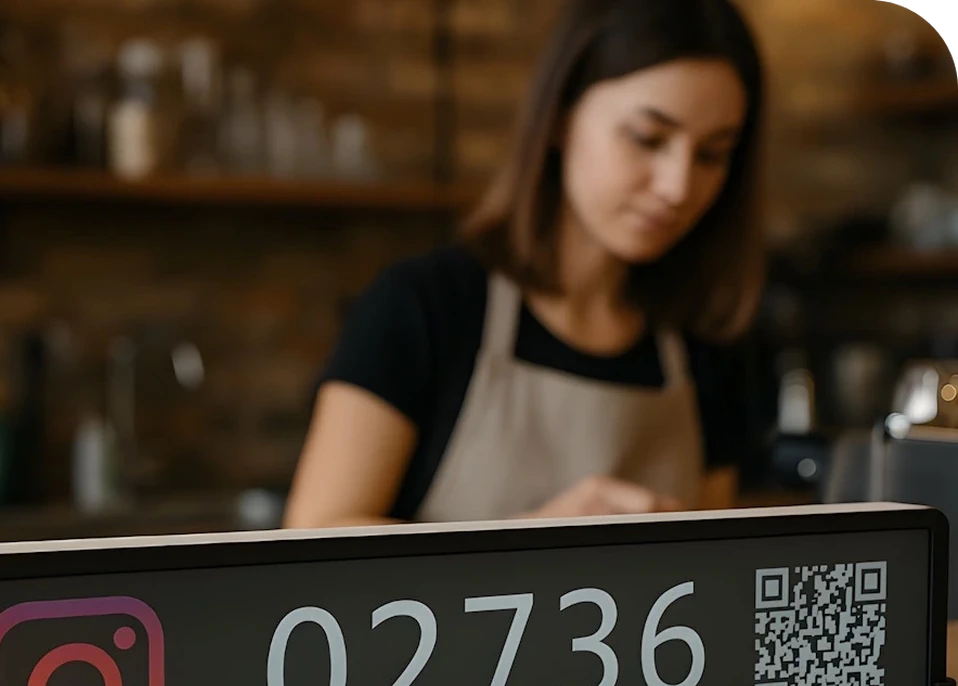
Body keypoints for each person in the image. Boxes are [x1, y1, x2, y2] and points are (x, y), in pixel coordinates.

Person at [284, 0, 766, 529]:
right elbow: (316, 538)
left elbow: (715, 573)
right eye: (647, 139)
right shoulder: (422, 307)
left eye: (712, 154)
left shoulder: (707, 343)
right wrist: (531, 544)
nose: (678, 187)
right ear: (561, 116)